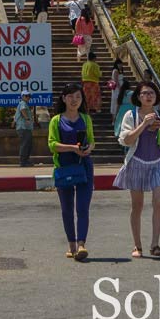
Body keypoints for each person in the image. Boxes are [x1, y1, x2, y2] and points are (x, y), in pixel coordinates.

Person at [114, 81, 160, 258]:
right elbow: (126, 140)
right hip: (137, 162)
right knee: (137, 205)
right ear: (138, 97)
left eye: (152, 93)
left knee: (158, 201)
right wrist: (143, 125)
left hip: (158, 162)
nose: (148, 96)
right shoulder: (130, 115)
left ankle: (155, 244)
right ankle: (137, 245)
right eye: (145, 93)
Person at [48, 83, 95, 261]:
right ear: (64, 98)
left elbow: (92, 141)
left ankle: (82, 244)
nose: (74, 100)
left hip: (84, 166)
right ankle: (72, 246)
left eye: (78, 96)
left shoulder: (86, 118)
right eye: (70, 96)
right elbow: (52, 144)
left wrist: (88, 148)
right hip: (64, 167)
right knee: (67, 209)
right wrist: (72, 148)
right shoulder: (56, 120)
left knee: (83, 207)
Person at [14, 91, 35, 167]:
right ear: (22, 96)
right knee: (25, 144)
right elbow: (23, 110)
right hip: (24, 127)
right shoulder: (22, 103)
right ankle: (23, 161)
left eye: (29, 96)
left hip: (26, 128)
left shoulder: (24, 104)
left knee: (28, 144)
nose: (28, 97)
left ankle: (26, 160)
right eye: (26, 96)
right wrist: (27, 118)